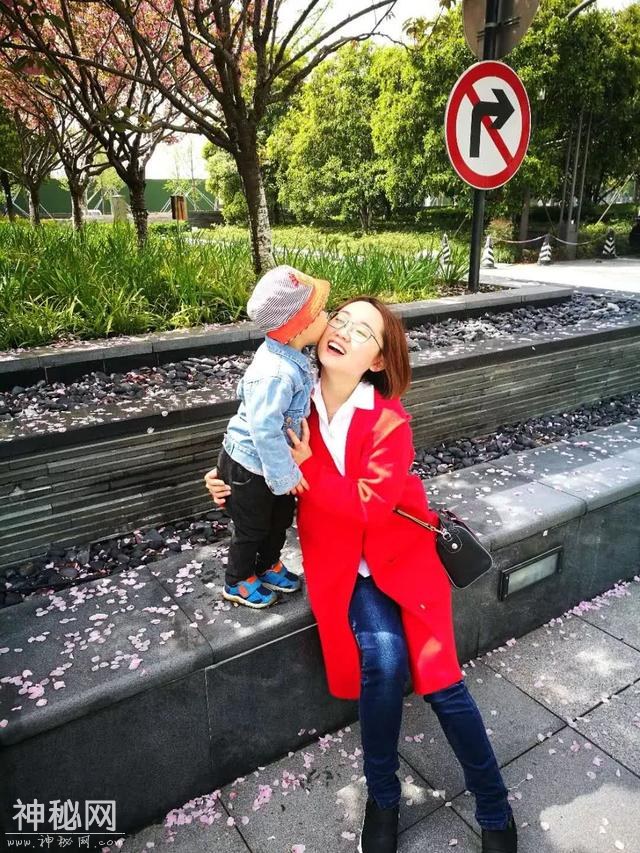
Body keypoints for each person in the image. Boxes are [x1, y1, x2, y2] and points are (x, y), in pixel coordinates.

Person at [204, 297, 517, 853]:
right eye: (341, 320)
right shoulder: (292, 403)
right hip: (346, 570)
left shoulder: (389, 420)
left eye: (362, 331)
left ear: (377, 359)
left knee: (444, 684)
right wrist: (229, 480)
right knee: (384, 662)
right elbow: (252, 449)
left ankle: (494, 806)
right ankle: (384, 797)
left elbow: (371, 505)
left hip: (406, 560)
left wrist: (305, 466)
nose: (343, 330)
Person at [217, 264, 329, 608]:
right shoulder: (275, 372)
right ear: (301, 325)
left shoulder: (289, 356)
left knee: (278, 518)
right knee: (251, 526)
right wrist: (285, 476)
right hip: (251, 464)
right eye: (320, 312)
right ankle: (237, 579)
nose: (328, 317)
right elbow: (263, 430)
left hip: (274, 461)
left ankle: (267, 564)